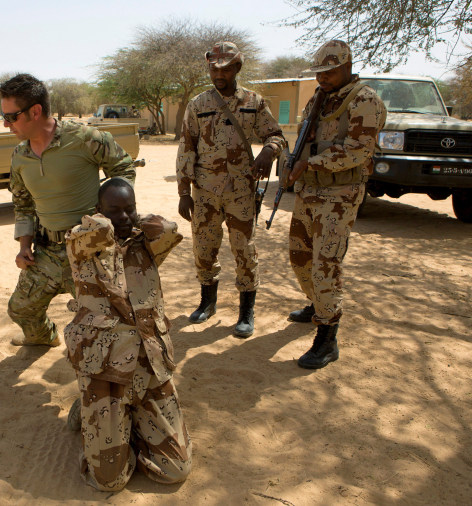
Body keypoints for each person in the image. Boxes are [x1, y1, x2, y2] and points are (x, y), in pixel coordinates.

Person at [64, 177, 191, 491]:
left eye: (128, 209)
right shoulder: (80, 245)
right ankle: (90, 409)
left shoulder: (144, 245)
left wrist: (135, 221)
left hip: (148, 366)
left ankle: (132, 425)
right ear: (98, 210)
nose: (122, 217)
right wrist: (109, 224)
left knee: (175, 470)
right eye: (113, 210)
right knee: (109, 481)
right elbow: (93, 233)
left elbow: (170, 228)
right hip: (105, 372)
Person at [0, 73, 136, 347]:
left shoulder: (84, 138)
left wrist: (110, 213)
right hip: (47, 252)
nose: (5, 124)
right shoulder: (19, 156)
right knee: (20, 309)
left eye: (12, 117)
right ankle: (44, 338)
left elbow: (122, 168)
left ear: (35, 111)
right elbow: (22, 203)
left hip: (88, 251)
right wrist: (24, 245)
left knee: (106, 321)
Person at [176, 42, 287, 337]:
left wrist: (269, 151)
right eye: (214, 68)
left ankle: (245, 312)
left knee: (244, 250)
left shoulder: (254, 101)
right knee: (204, 248)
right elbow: (187, 146)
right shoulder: (198, 104)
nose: (219, 74)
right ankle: (207, 302)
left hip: (240, 191)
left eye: (225, 68)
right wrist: (184, 192)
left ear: (237, 68)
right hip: (205, 192)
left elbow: (276, 135)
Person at [287, 40, 386, 369]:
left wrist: (310, 163)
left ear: (347, 67)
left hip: (340, 195)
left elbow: (358, 150)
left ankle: (327, 338)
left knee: (325, 263)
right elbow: (306, 136)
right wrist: (294, 163)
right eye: (319, 73)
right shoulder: (320, 97)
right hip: (310, 191)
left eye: (329, 72)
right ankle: (317, 305)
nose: (323, 78)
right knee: (300, 255)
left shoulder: (364, 100)